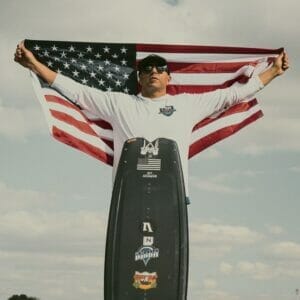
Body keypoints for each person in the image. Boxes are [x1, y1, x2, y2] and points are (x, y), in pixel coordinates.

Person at [14, 41, 289, 197]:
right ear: (139, 77)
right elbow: (77, 91)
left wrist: (273, 72)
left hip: (171, 196)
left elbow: (233, 94)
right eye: (146, 68)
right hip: (129, 196)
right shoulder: (119, 103)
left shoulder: (187, 105)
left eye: (160, 68)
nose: (153, 71)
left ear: (169, 77)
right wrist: (34, 64)